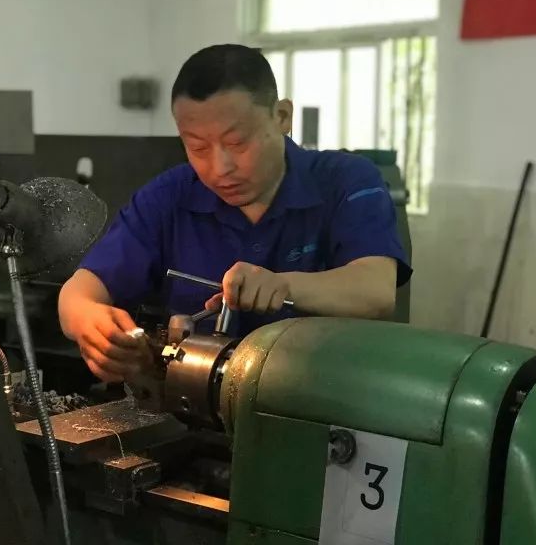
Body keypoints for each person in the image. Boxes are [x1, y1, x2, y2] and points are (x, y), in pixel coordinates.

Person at [58, 44, 412, 382]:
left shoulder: (345, 181)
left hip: (321, 403)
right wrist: (89, 321)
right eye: (198, 147)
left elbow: (375, 290)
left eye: (237, 143)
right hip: (193, 403)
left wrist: (284, 285)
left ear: (282, 116)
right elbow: (77, 293)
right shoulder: (169, 198)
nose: (220, 168)